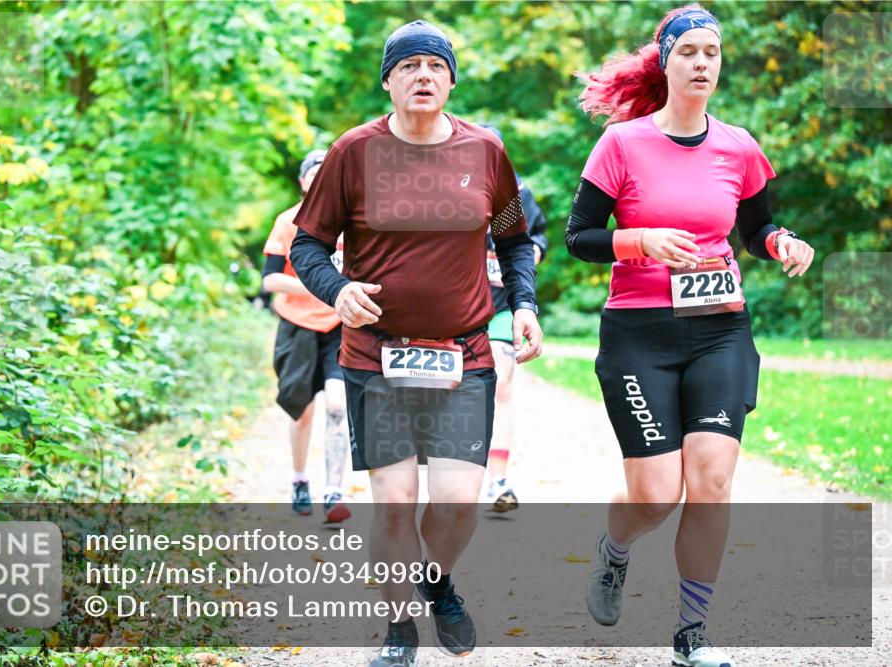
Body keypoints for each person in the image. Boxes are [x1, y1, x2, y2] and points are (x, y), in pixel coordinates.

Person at [566, 5, 815, 667]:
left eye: (712, 52)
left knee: (710, 481)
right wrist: (640, 239)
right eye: (690, 52)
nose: (703, 63)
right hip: (638, 334)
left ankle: (691, 635)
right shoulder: (621, 144)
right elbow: (579, 237)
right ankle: (615, 551)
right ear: (667, 61)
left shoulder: (738, 146)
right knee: (654, 492)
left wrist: (782, 242)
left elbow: (759, 227)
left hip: (719, 332)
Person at [289, 20, 542, 667]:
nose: (423, 75)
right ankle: (399, 628)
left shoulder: (486, 152)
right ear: (388, 80)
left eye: (435, 65)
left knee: (456, 505)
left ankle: (437, 580)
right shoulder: (352, 153)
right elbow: (307, 244)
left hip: (465, 353)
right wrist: (336, 288)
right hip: (375, 353)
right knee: (396, 507)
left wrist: (524, 306)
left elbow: (514, 239)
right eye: (408, 66)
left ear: (452, 80)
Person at [262, 149, 352, 524]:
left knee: (337, 406)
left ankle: (335, 490)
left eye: (326, 174)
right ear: (302, 182)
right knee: (301, 412)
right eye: (313, 174)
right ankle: (300, 480)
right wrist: (316, 286)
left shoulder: (351, 223)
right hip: (297, 326)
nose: (319, 180)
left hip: (338, 327)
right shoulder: (287, 222)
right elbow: (270, 279)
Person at [479, 124, 548, 512]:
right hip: (461, 307)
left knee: (502, 382)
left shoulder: (517, 193)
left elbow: (536, 237)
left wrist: (531, 254)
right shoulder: (454, 188)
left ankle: (498, 480)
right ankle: (457, 474)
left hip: (504, 304)